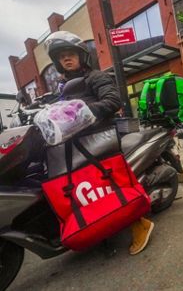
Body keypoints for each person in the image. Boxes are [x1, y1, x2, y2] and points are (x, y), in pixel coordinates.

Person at [44, 31, 154, 255]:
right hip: (81, 144)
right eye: (62, 56)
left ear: (81, 56)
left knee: (111, 186)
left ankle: (140, 224)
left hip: (101, 139)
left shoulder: (95, 77)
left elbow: (113, 101)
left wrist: (83, 113)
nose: (67, 59)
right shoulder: (62, 88)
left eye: (71, 54)